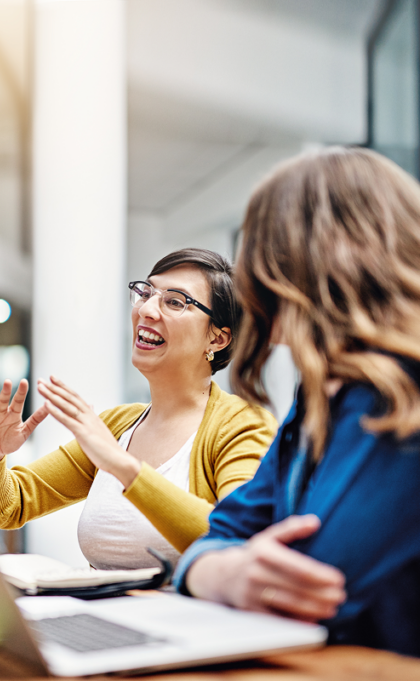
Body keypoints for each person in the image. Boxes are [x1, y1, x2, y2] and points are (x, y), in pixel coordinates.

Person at [175, 147, 420, 656]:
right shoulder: (314, 404)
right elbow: (221, 532)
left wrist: (233, 570)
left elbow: (315, 582)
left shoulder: (402, 390)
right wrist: (222, 571)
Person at [0, 248, 277, 569]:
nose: (147, 309)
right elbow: (5, 508)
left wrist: (122, 466)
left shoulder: (242, 424)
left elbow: (237, 539)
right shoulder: (118, 424)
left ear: (217, 339)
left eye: (174, 301)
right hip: (95, 617)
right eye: (146, 293)